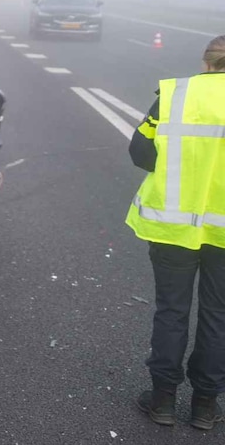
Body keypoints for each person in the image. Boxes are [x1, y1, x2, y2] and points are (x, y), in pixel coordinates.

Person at [129, 34, 225, 430]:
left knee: (172, 311)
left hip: (172, 225)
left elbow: (140, 152)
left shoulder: (175, 95)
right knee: (218, 314)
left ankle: (163, 400)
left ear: (206, 62)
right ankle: (205, 405)